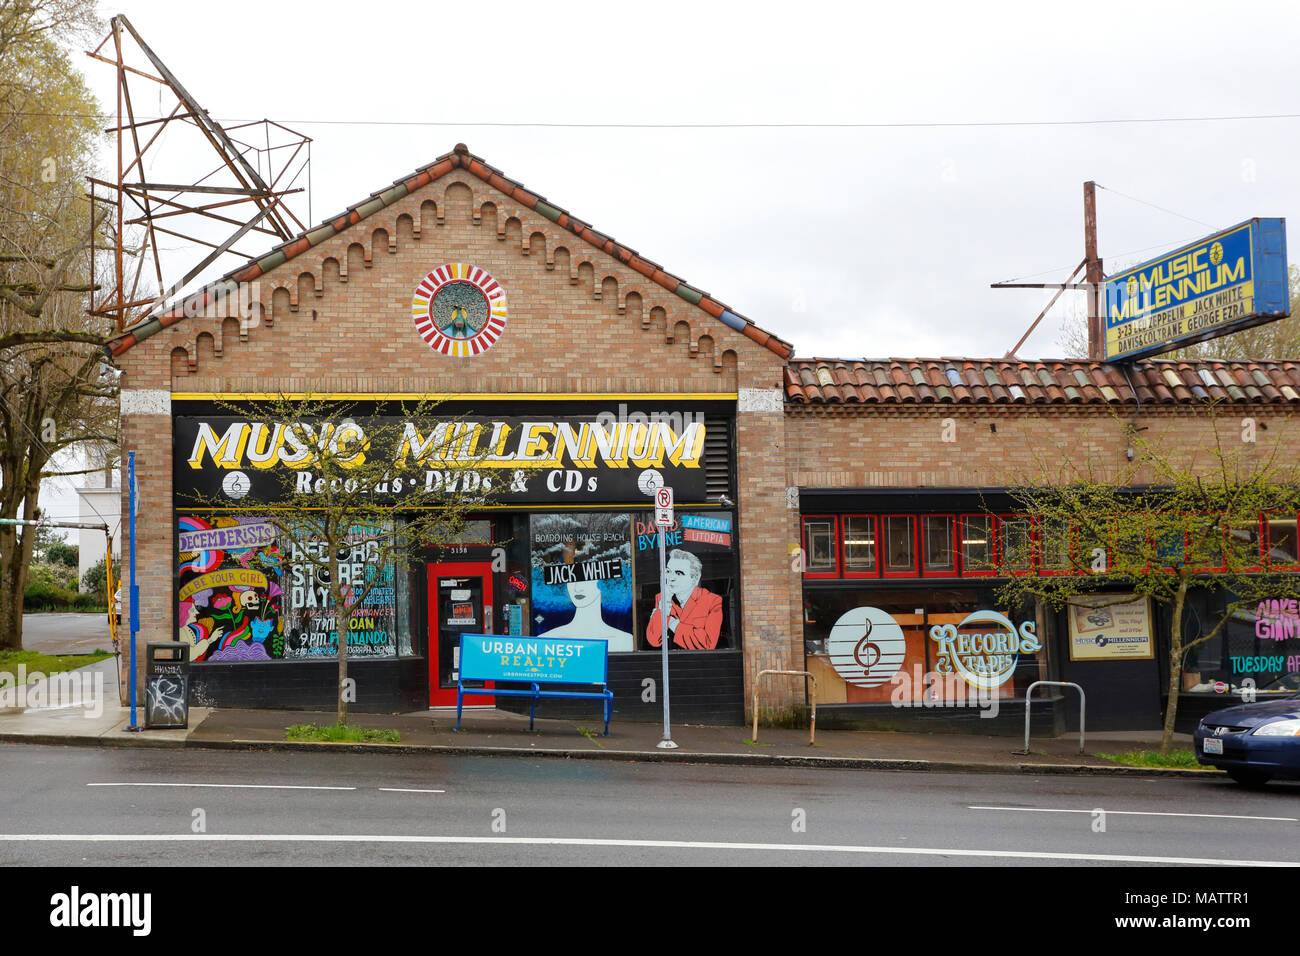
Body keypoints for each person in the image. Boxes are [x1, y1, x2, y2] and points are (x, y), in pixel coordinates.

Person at [646, 549, 723, 650]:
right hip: (670, 662)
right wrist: (662, 608)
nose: (671, 578)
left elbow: (707, 644)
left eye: (679, 573)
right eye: (668, 571)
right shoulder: (663, 598)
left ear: (695, 578)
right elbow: (653, 640)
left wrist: (670, 622)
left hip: (698, 663)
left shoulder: (712, 601)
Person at [544, 578, 634, 651]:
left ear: (603, 582)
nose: (577, 588)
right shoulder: (546, 639)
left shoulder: (625, 640)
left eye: (588, 579)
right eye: (571, 579)